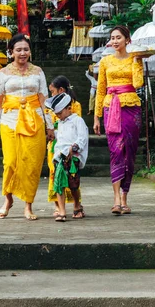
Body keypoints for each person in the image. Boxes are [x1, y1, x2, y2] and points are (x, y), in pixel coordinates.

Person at [0, 33, 53, 221]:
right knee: (10, 163)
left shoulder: (38, 72)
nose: (22, 53)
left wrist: (50, 126)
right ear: (11, 52)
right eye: (18, 50)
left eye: (26, 49)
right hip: (9, 121)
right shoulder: (3, 73)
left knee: (31, 165)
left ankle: (28, 204)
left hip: (34, 122)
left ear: (30, 51)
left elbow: (44, 100)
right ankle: (8, 199)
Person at [93, 25, 144, 215]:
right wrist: (97, 117)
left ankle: (125, 197)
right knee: (115, 151)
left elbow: (138, 83)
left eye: (118, 38)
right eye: (112, 38)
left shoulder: (135, 58)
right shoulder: (105, 61)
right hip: (110, 107)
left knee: (129, 152)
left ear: (127, 40)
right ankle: (115, 199)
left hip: (131, 107)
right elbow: (100, 89)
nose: (114, 41)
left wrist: (138, 62)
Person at [45, 93, 88, 222]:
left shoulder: (77, 121)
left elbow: (82, 138)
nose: (57, 115)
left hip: (73, 158)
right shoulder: (60, 122)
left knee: (73, 183)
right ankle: (62, 211)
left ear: (68, 108)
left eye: (59, 112)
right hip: (60, 157)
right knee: (58, 182)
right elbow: (60, 138)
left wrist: (73, 147)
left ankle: (77, 205)